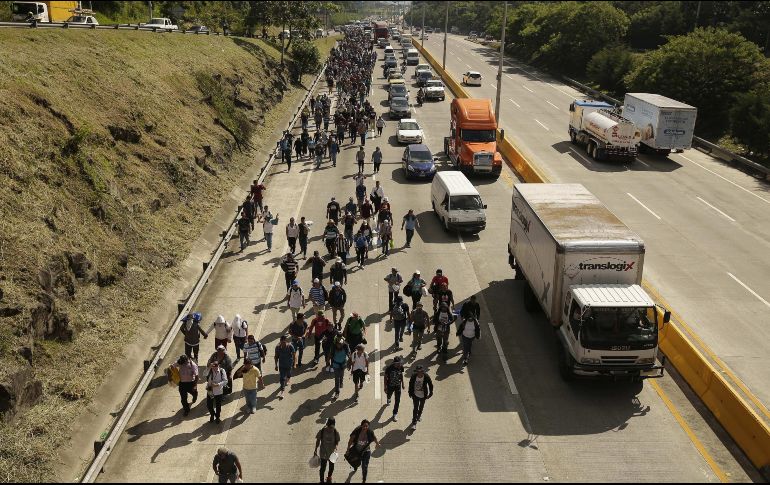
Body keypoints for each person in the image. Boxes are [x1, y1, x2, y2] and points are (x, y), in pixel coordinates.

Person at [315, 418, 341, 484]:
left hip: (332, 453)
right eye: (330, 426)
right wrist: (315, 449)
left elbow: (337, 441)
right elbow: (318, 440)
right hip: (323, 452)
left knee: (331, 467)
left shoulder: (335, 431)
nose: (331, 428)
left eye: (332, 426)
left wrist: (336, 447)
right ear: (327, 424)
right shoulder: (322, 431)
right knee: (323, 468)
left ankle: (329, 478)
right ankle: (321, 481)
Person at [408, 365, 433, 430]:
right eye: (418, 371)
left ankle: (419, 416)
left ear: (423, 371)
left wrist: (430, 393)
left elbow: (430, 385)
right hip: (415, 395)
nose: (419, 373)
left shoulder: (426, 376)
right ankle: (414, 423)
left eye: (421, 371)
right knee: (415, 408)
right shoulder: (414, 376)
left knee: (421, 407)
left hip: (423, 395)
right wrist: (410, 393)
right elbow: (410, 384)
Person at [384, 356, 405, 421]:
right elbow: (385, 377)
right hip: (390, 386)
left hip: (398, 386)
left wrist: (403, 383)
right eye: (398, 363)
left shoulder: (401, 367)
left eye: (400, 363)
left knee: (397, 400)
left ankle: (395, 414)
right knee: (389, 395)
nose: (399, 364)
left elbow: (401, 375)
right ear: (394, 363)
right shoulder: (389, 368)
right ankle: (388, 399)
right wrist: (385, 387)